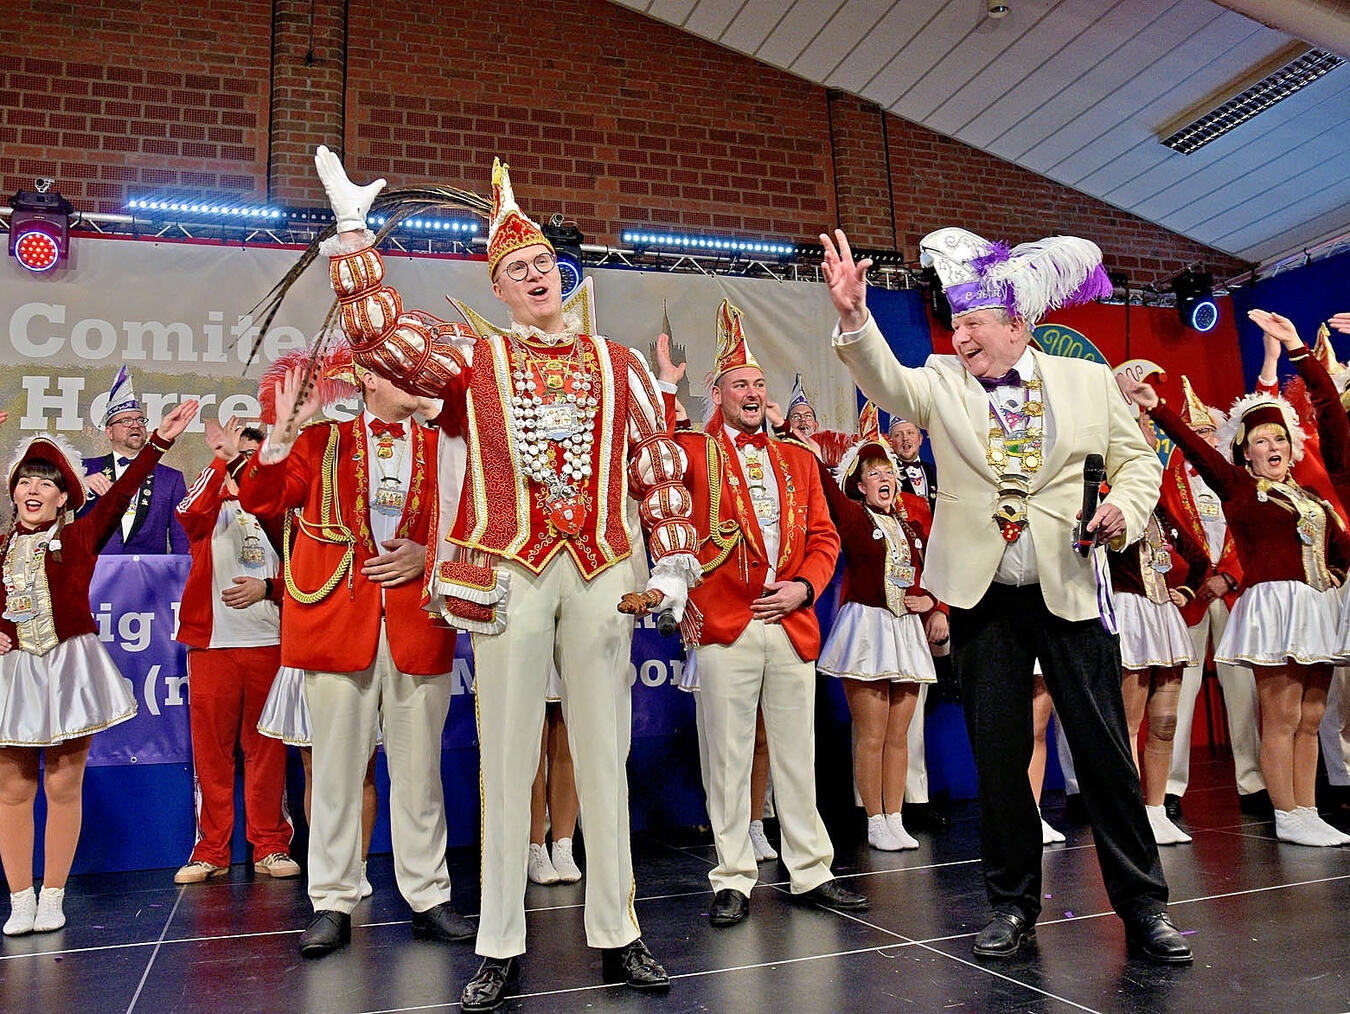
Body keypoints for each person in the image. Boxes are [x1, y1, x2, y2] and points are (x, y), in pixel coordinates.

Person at [310, 147, 700, 1009]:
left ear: (561, 278)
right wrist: (351, 232)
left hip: (601, 567)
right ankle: (499, 943)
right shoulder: (471, 363)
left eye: (543, 267)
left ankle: (620, 932)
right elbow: (380, 336)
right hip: (511, 569)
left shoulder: (621, 363)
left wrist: (671, 565)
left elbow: (660, 466)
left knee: (605, 752)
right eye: (516, 269)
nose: (534, 278)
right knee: (507, 754)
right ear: (497, 285)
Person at [823, 224, 1191, 964]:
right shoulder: (940, 379)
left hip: (1072, 586)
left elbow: (1138, 462)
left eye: (974, 323)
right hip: (984, 597)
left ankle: (1145, 908)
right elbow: (885, 382)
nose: (961, 336)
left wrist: (1126, 505)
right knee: (999, 759)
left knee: (1104, 753)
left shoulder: (1088, 383)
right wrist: (855, 318)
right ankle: (1012, 907)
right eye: (955, 323)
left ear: (1018, 325)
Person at [236, 341, 474, 957]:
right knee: (337, 774)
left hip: (419, 623)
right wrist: (277, 442)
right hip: (338, 623)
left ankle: (428, 896)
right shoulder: (320, 442)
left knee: (420, 774)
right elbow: (264, 500)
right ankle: (333, 901)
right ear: (369, 379)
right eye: (402, 373)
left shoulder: (445, 449)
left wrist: (430, 556)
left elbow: (469, 523)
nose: (418, 382)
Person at [658, 300, 865, 929]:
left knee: (797, 752)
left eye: (758, 384)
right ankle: (733, 875)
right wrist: (669, 387)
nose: (752, 393)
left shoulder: (799, 460)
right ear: (718, 393)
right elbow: (656, 465)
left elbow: (826, 539)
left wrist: (805, 587)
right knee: (727, 754)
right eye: (739, 384)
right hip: (727, 623)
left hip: (791, 621)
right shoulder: (694, 451)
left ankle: (811, 870)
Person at [1122, 307, 1350, 848]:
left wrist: (1297, 348)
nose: (1272, 448)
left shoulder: (1316, 493)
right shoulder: (1239, 489)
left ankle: (1309, 808)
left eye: (1279, 440)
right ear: (1244, 453)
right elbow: (1199, 452)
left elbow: (1336, 424)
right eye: (1260, 442)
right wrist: (1160, 411)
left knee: (1312, 716)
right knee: (1282, 712)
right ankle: (1287, 812)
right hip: (1275, 605)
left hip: (1319, 604)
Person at [1, 401, 198, 935]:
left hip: (68, 670)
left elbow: (118, 496)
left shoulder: (78, 538)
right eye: (25, 481)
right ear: (14, 491)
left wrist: (158, 443)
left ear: (65, 496)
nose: (33, 490)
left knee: (64, 786)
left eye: (46, 482)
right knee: (13, 790)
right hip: (13, 675)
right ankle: (20, 898)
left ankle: (52, 895)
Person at [172, 417, 297, 884]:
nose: (248, 454)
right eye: (241, 447)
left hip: (269, 642)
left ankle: (269, 845)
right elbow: (187, 514)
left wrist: (268, 588)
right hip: (214, 646)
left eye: (257, 448)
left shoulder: (281, 509)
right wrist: (222, 458)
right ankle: (211, 851)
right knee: (212, 754)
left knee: (266, 749)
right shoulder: (209, 505)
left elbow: (307, 573)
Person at [816, 417, 939, 851]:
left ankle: (895, 816)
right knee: (871, 733)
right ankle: (873, 819)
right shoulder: (852, 517)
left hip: (905, 631)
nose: (884, 478)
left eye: (889, 471)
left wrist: (930, 601)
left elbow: (928, 570)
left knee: (899, 734)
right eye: (874, 473)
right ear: (860, 485)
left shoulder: (910, 526)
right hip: (866, 630)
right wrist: (791, 432)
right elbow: (826, 486)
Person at [1157, 378, 1264, 820]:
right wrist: (1190, 579)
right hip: (1191, 596)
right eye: (1194, 432)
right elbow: (1164, 536)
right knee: (1179, 692)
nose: (1203, 438)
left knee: (1244, 690)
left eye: (1208, 432)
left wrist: (1229, 578)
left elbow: (1252, 535)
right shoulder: (1168, 482)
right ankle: (1171, 785)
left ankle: (1253, 780)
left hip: (1234, 594)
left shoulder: (1239, 479)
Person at [1107, 495, 1207, 846]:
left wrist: (1186, 590)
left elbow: (1199, 558)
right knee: (1128, 725)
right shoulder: (1107, 503)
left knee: (1165, 724)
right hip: (1128, 613)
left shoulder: (1161, 511)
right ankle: (1130, 813)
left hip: (1163, 616)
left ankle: (1157, 810)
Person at [82, 366, 190, 555]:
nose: (135, 425)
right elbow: (44, 491)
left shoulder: (171, 479)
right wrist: (80, 483)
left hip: (149, 578)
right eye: (125, 421)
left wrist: (180, 577)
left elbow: (181, 539)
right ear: (109, 432)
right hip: (93, 577)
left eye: (140, 420)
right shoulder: (83, 469)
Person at [527, 669, 582, 885]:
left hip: (567, 641)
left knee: (566, 728)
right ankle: (535, 847)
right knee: (533, 743)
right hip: (529, 640)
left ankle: (563, 847)